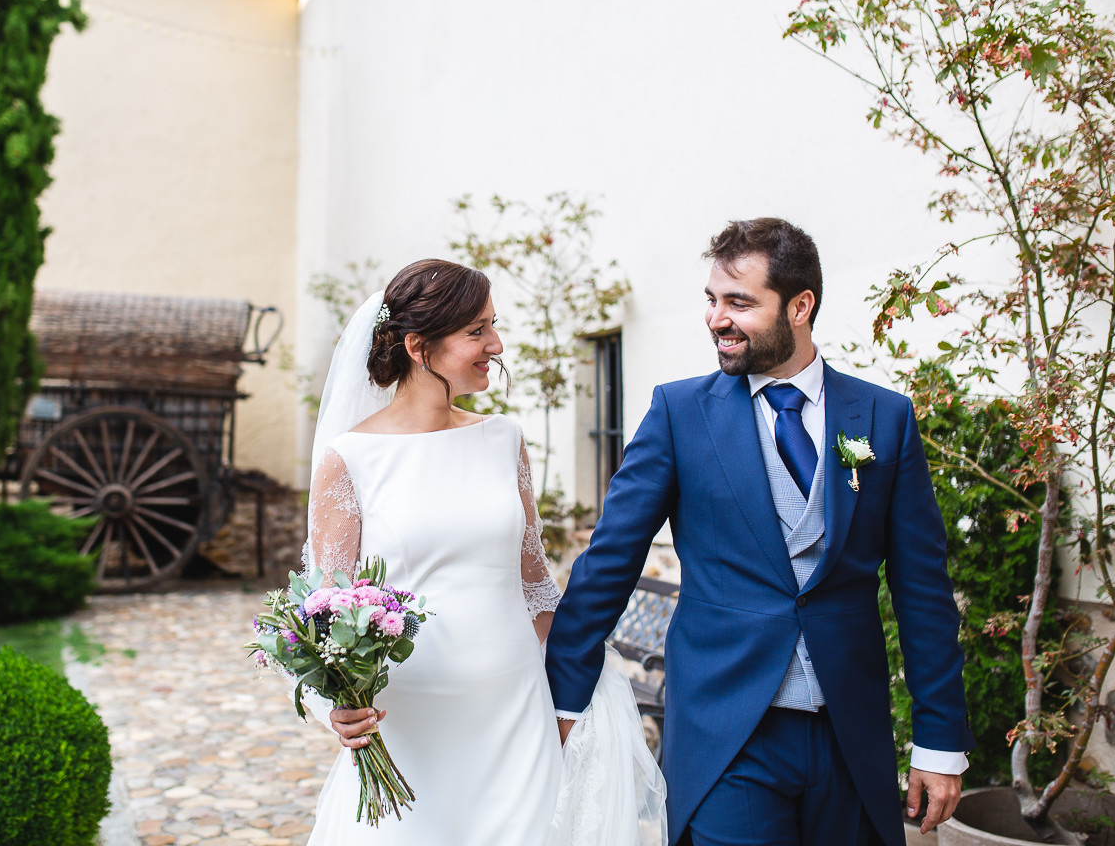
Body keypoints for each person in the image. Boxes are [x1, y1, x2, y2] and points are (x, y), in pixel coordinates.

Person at [545, 219, 974, 846]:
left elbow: (923, 591)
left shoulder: (884, 417)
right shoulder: (678, 412)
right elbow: (609, 562)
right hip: (727, 735)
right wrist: (565, 699)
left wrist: (940, 742)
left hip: (849, 737)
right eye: (712, 301)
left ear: (800, 307)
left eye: (739, 302)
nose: (718, 318)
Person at [303, 258, 664, 846]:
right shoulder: (349, 460)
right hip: (411, 726)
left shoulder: (503, 439)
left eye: (492, 326)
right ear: (420, 346)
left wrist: (577, 691)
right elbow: (329, 613)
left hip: (515, 708)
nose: (495, 345)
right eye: (477, 331)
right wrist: (340, 703)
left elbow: (534, 585)